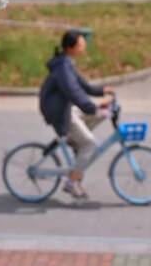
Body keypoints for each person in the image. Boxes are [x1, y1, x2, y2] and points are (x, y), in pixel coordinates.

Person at [39, 30, 115, 200]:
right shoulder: (63, 69)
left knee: (103, 114)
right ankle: (71, 182)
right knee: (90, 144)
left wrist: (102, 90)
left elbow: (84, 87)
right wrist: (93, 107)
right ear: (71, 48)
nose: (84, 47)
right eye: (81, 44)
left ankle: (74, 140)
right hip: (60, 112)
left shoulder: (67, 63)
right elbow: (75, 93)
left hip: (66, 108)